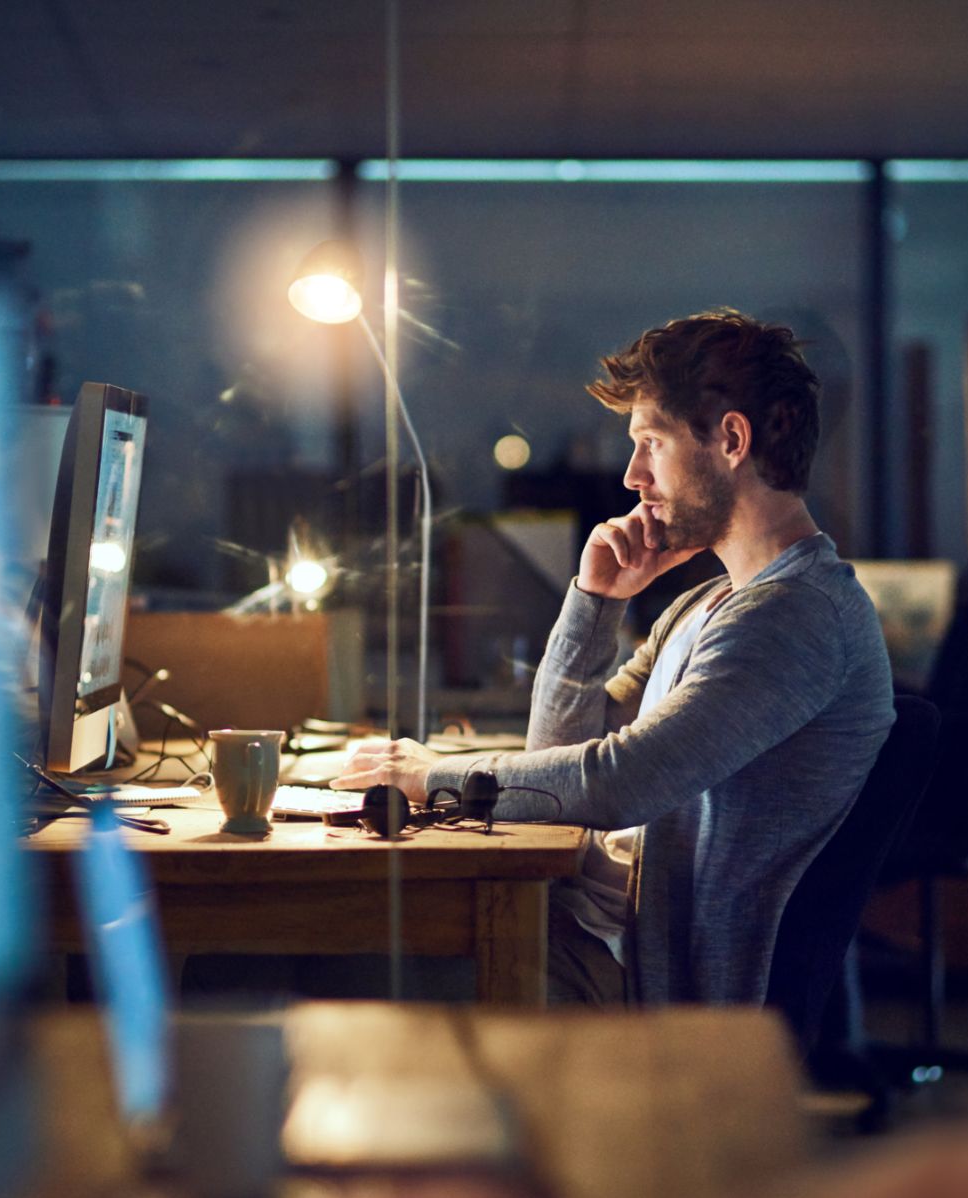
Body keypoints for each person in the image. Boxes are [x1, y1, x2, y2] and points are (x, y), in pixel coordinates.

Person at [332, 309, 896, 1008]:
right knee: (321, 957)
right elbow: (564, 749)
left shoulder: (796, 617)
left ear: (730, 439)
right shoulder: (708, 604)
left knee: (317, 973)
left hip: (642, 979)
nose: (632, 476)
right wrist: (595, 601)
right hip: (592, 935)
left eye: (650, 443)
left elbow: (617, 781)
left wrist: (433, 775)